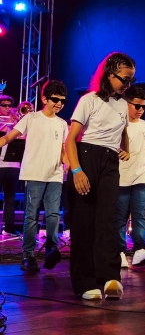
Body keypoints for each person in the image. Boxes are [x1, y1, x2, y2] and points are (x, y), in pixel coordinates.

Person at [66, 52, 135, 301]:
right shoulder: (89, 100)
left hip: (110, 161)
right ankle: (85, 281)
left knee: (108, 219)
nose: (128, 85)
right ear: (109, 74)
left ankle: (109, 277)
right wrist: (76, 170)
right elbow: (70, 140)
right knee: (85, 221)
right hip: (87, 156)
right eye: (124, 80)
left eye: (131, 81)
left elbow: (124, 130)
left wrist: (124, 147)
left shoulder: (122, 105)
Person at [0, 80, 69, 271]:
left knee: (53, 214)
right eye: (55, 100)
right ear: (44, 98)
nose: (59, 104)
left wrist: (67, 161)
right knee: (31, 215)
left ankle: (51, 250)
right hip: (34, 173)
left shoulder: (63, 124)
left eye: (62, 101)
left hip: (54, 175)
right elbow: (9, 137)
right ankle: (28, 255)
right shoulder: (31, 118)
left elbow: (64, 149)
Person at [116, 85, 145, 268]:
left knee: (139, 214)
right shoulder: (118, 124)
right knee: (120, 216)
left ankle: (140, 249)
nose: (140, 110)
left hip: (141, 176)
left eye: (143, 107)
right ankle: (119, 251)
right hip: (121, 177)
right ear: (126, 103)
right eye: (137, 106)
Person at [0, 95, 21, 236]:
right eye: (4, 105)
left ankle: (8, 227)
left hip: (13, 165)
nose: (8, 108)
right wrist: (6, 126)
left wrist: (17, 125)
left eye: (10, 105)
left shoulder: (17, 122)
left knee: (10, 198)